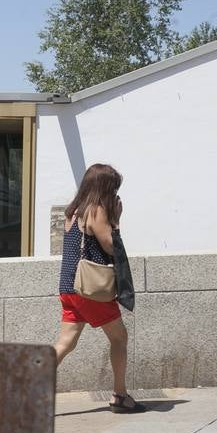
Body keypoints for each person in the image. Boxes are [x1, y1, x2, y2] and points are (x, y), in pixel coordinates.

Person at [54, 163, 143, 413]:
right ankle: (120, 396)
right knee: (119, 337)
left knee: (66, 343)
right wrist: (116, 220)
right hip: (89, 290)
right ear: (103, 187)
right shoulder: (96, 211)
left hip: (69, 287)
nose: (115, 194)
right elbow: (111, 247)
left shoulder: (73, 212)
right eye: (113, 188)